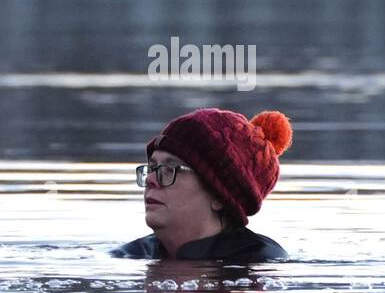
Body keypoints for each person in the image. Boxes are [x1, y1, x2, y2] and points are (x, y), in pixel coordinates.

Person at [111, 108, 292, 264]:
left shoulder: (258, 262)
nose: (151, 179)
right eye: (152, 167)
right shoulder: (131, 254)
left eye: (171, 168)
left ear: (218, 196)